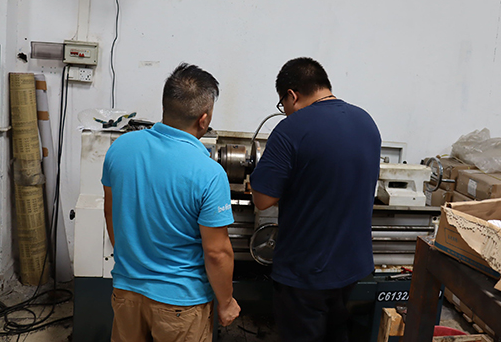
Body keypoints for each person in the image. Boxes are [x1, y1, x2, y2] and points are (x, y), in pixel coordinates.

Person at [102, 63, 240, 342]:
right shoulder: (209, 173)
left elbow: (110, 213)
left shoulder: (120, 148)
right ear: (204, 119)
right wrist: (226, 302)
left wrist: (134, 263)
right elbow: (217, 253)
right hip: (181, 304)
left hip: (127, 292)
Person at [250, 57, 382, 341]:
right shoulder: (366, 121)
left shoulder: (291, 129)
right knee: (336, 332)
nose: (285, 111)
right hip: (351, 265)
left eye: (283, 104)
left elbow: (262, 199)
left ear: (292, 95)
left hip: (306, 271)